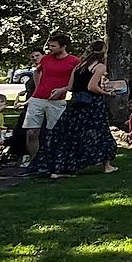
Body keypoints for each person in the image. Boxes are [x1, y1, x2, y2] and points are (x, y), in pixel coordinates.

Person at [30, 40, 119, 178]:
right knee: (100, 132)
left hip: (75, 103)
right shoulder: (99, 66)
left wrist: (61, 90)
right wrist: (107, 93)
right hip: (92, 104)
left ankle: (57, 167)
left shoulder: (79, 65)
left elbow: (71, 86)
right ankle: (106, 166)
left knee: (67, 134)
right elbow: (92, 87)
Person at [22, 35, 79, 166]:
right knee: (32, 132)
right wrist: (38, 88)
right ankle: (34, 161)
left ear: (63, 47)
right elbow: (37, 72)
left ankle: (53, 161)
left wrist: (62, 90)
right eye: (49, 45)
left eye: (53, 46)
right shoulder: (46, 59)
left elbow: (75, 82)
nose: (50, 48)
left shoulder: (74, 61)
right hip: (37, 99)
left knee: (55, 132)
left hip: (57, 101)